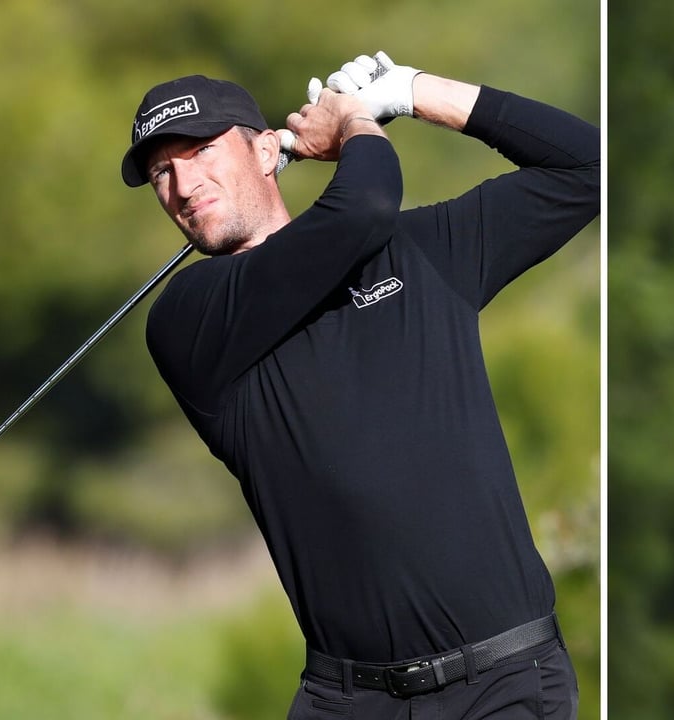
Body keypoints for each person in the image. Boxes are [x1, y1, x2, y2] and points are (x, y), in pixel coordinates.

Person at [120, 50, 598, 719]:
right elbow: (362, 204)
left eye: (199, 151)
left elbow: (588, 167)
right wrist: (354, 124)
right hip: (349, 702)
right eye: (161, 171)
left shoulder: (422, 252)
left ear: (266, 151)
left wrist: (413, 90)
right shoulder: (191, 318)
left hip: (506, 684)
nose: (181, 183)